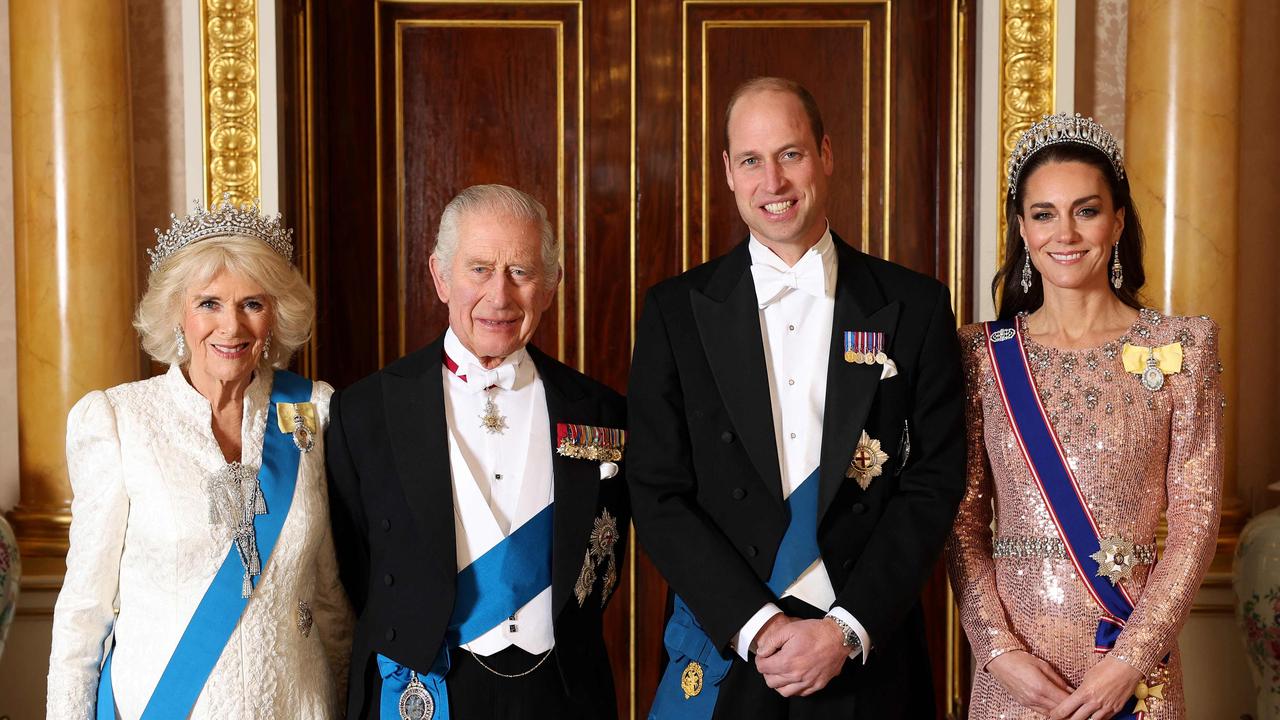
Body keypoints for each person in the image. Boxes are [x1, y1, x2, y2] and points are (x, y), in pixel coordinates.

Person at [628, 76, 966, 719]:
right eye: (752, 160)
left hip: (869, 653)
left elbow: (934, 482)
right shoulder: (674, 312)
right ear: (728, 171)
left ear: (827, 155)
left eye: (791, 154)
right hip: (731, 651)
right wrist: (757, 624)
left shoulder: (916, 306)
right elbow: (655, 489)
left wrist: (846, 628)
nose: (773, 182)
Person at [947, 113, 1223, 720]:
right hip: (1016, 677)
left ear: (1118, 220)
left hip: (1133, 671)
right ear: (1022, 228)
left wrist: (1131, 660)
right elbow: (963, 525)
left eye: (1086, 210)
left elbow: (1195, 522)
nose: (1064, 233)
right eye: (1043, 214)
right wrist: (997, 652)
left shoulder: (1184, 346)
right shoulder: (981, 355)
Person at [326, 184, 628, 719]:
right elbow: (354, 567)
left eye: (521, 272)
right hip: (422, 692)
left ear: (552, 284)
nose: (500, 297)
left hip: (560, 695)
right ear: (440, 277)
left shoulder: (601, 412)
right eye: (479, 269)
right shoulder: (365, 411)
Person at [46, 197, 353, 718]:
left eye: (252, 304)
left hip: (297, 705)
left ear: (275, 315)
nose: (231, 328)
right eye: (209, 303)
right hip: (168, 705)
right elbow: (84, 612)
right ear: (176, 315)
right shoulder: (120, 422)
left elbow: (329, 597)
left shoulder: (312, 412)